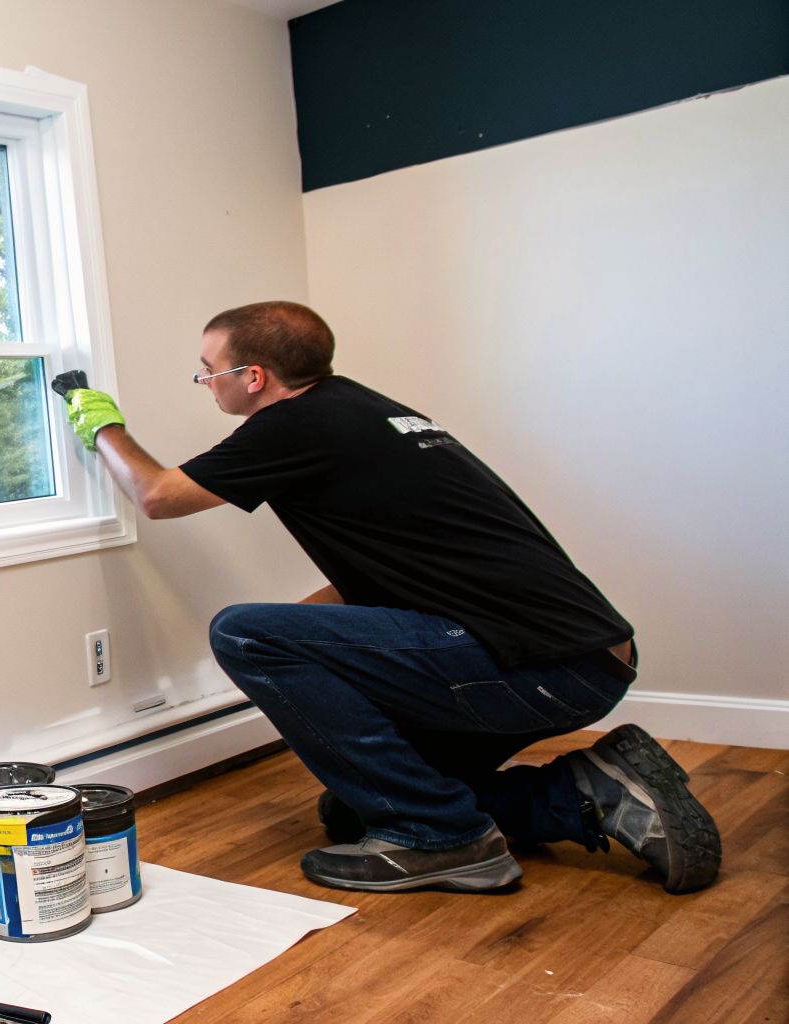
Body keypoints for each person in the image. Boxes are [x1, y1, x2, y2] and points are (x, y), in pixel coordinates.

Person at [63, 300, 719, 894]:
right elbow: (377, 580)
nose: (206, 382)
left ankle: (445, 839)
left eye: (209, 371)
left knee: (241, 631)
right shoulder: (362, 408)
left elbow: (158, 496)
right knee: (352, 812)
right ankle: (586, 792)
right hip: (586, 660)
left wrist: (103, 426)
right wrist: (298, 647)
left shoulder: (291, 425)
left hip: (541, 667)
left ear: (254, 376)